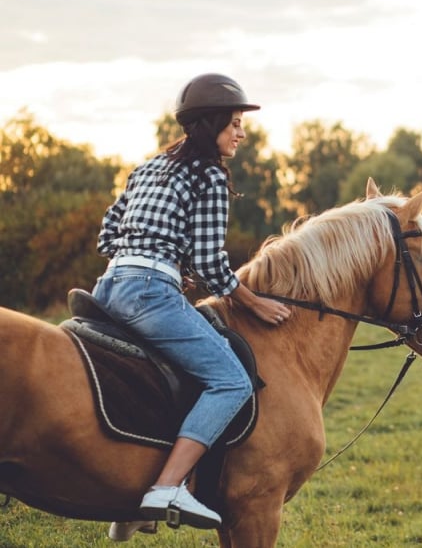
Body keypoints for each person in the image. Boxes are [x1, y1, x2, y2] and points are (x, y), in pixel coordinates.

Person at [93, 73, 291, 533]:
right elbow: (211, 263)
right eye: (236, 123)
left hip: (109, 286)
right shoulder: (209, 174)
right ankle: (166, 487)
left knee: (160, 375)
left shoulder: (147, 167)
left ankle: (125, 505)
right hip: (149, 293)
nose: (242, 133)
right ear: (212, 123)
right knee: (230, 380)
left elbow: (108, 235)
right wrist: (255, 303)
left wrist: (156, 259)